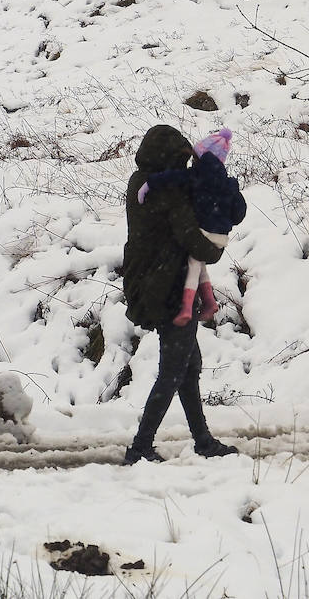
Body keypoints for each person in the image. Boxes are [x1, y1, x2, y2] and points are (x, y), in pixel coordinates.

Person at [121, 124, 242, 464]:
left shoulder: (139, 181)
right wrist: (218, 237)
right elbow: (199, 244)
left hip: (147, 283)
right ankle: (141, 447)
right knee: (174, 370)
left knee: (188, 366)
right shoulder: (168, 192)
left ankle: (203, 440)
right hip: (170, 288)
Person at [136, 128, 246, 328]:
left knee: (194, 265)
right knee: (199, 263)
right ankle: (207, 301)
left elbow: (172, 178)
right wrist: (226, 213)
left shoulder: (193, 176)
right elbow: (239, 213)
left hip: (194, 242)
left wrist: (149, 184)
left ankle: (189, 306)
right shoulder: (228, 183)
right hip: (217, 237)